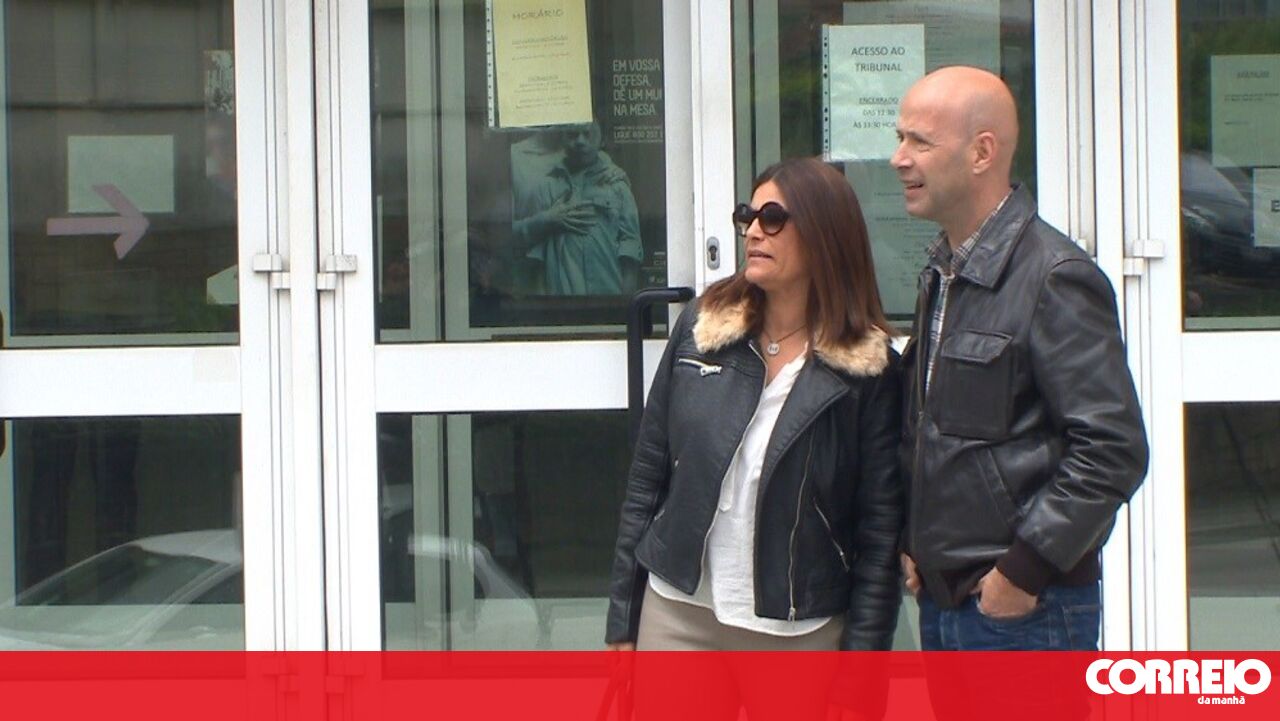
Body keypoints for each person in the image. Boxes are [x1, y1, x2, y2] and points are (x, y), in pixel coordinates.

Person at [605, 157, 903, 719]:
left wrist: (861, 673)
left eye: (773, 218)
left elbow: (879, 532)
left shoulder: (867, 369)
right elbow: (647, 477)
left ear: (824, 234)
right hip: (678, 611)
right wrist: (623, 614)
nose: (753, 232)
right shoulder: (703, 326)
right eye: (749, 215)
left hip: (798, 630)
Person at [892, 65, 1149, 715]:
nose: (899, 159)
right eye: (900, 139)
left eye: (920, 141)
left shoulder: (1054, 275)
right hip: (950, 601)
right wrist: (913, 540)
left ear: (982, 152)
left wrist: (1022, 572)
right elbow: (936, 429)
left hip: (1023, 612)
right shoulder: (943, 272)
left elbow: (1112, 449)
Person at [511, 122, 643, 295]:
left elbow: (630, 249)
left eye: (588, 135)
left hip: (609, 296)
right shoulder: (545, 187)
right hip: (561, 300)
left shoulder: (617, 186)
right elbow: (536, 258)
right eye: (572, 135)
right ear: (563, 139)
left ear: (602, 139)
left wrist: (625, 302)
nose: (580, 141)